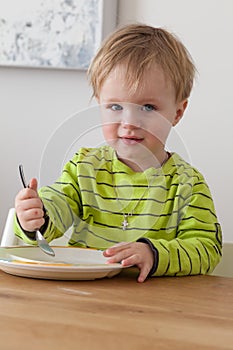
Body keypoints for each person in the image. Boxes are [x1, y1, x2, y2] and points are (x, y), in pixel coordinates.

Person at [14, 24, 222, 282]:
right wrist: (37, 216)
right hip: (87, 297)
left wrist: (154, 253)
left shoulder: (188, 184)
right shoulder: (84, 167)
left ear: (177, 113)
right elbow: (59, 205)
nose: (130, 122)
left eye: (148, 107)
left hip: (157, 307)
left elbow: (206, 249)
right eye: (115, 106)